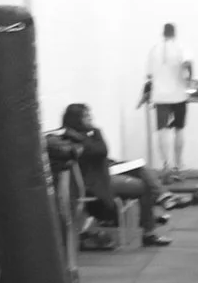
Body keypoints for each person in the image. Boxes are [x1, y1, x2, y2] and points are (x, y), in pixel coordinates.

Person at [57, 103, 169, 248]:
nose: (90, 118)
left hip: (106, 171)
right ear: (76, 118)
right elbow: (101, 150)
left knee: (143, 170)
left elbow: (100, 154)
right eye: (86, 115)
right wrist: (95, 131)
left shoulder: (84, 136)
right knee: (144, 186)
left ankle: (160, 198)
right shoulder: (73, 139)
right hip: (97, 181)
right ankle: (149, 229)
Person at [143, 23, 193, 175]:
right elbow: (187, 65)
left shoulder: (154, 49)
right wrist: (189, 79)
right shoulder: (181, 47)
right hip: (178, 94)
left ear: (162, 33)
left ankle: (167, 164)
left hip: (160, 96)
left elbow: (149, 75)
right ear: (174, 33)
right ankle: (178, 164)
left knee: (162, 130)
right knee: (179, 128)